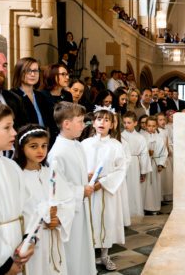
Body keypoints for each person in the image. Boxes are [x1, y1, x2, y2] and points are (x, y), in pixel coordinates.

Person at [15, 125, 75, 275]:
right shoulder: (18, 176)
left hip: (52, 235)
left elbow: (68, 200)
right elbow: (19, 210)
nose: (40, 151)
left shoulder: (51, 173)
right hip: (32, 239)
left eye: (44, 146)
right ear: (22, 148)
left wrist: (59, 217)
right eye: (33, 146)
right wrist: (42, 217)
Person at [47, 102, 97, 275]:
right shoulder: (57, 152)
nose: (84, 126)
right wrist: (80, 191)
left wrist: (85, 177)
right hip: (68, 212)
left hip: (79, 207)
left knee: (82, 247)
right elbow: (55, 187)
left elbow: (73, 174)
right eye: (80, 121)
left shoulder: (76, 144)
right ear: (66, 124)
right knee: (74, 250)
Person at [81, 106, 127, 270]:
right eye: (99, 119)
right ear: (93, 123)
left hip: (106, 190)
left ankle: (104, 256)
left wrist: (103, 183)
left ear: (112, 125)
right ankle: (88, 256)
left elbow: (121, 169)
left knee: (106, 220)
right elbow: (79, 166)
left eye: (107, 120)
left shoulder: (116, 145)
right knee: (89, 221)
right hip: (88, 190)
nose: (102, 122)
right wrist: (85, 177)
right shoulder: (84, 144)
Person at [0, 103, 34, 274]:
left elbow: (27, 205)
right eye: (7, 127)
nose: (14, 133)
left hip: (19, 250)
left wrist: (29, 239)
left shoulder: (11, 166)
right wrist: (3, 264)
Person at [10, 57, 56, 136]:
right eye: (28, 70)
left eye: (35, 70)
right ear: (19, 72)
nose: (33, 74)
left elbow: (50, 123)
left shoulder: (41, 96)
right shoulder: (12, 96)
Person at [121, 111, 150, 217]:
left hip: (135, 164)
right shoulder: (120, 136)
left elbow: (144, 154)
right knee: (125, 188)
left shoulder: (140, 137)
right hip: (123, 164)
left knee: (135, 188)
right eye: (124, 122)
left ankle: (135, 211)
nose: (126, 125)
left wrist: (143, 171)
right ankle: (125, 212)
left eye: (129, 122)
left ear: (135, 123)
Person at [140, 116, 168, 214]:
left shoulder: (159, 138)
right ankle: (143, 207)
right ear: (145, 126)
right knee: (144, 186)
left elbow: (164, 152)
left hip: (155, 164)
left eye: (153, 126)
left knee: (154, 186)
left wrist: (160, 164)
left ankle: (154, 207)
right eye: (149, 126)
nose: (151, 128)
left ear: (156, 126)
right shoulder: (142, 137)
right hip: (145, 164)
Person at [157, 112, 173, 201]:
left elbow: (168, 142)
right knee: (162, 178)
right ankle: (161, 196)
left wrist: (169, 149)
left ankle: (167, 196)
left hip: (167, 156)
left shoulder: (166, 130)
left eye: (164, 120)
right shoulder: (157, 132)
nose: (163, 121)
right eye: (160, 120)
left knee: (167, 178)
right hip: (160, 156)